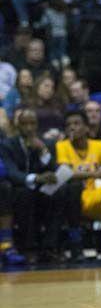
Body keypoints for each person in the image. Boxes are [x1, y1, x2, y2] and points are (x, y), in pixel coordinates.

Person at [56, 108, 101, 261]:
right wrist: (95, 174)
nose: (72, 127)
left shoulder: (99, 145)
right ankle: (76, 245)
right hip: (74, 196)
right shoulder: (62, 146)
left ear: (87, 128)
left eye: (77, 123)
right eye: (69, 125)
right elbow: (66, 174)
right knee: (72, 187)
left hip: (96, 194)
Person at [0, 108, 66, 263]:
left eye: (32, 123)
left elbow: (55, 170)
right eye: (25, 124)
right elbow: (11, 172)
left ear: (37, 125)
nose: (29, 128)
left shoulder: (48, 144)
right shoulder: (8, 145)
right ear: (18, 126)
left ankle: (50, 247)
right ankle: (29, 248)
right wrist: (36, 178)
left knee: (62, 191)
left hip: (42, 190)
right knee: (23, 194)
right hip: (20, 190)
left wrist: (43, 151)